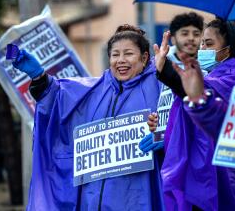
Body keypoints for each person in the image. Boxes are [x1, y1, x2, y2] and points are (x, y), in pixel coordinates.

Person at [12, 25, 165, 210]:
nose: (121, 61)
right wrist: (39, 77)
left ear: (144, 58)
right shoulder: (95, 89)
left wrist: (165, 136)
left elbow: (186, 124)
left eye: (128, 54)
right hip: (92, 201)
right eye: (115, 54)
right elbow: (58, 99)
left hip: (138, 198)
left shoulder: (160, 85)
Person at [152, 19, 235, 210]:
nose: (202, 48)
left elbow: (201, 95)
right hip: (212, 174)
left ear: (229, 49)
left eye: (209, 43)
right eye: (202, 43)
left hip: (221, 178)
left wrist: (168, 72)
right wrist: (160, 132)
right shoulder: (228, 74)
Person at [140, 12, 204, 152]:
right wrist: (156, 122)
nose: (191, 38)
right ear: (173, 39)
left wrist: (167, 135)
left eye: (196, 33)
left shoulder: (208, 69)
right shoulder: (160, 65)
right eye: (185, 33)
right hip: (170, 155)